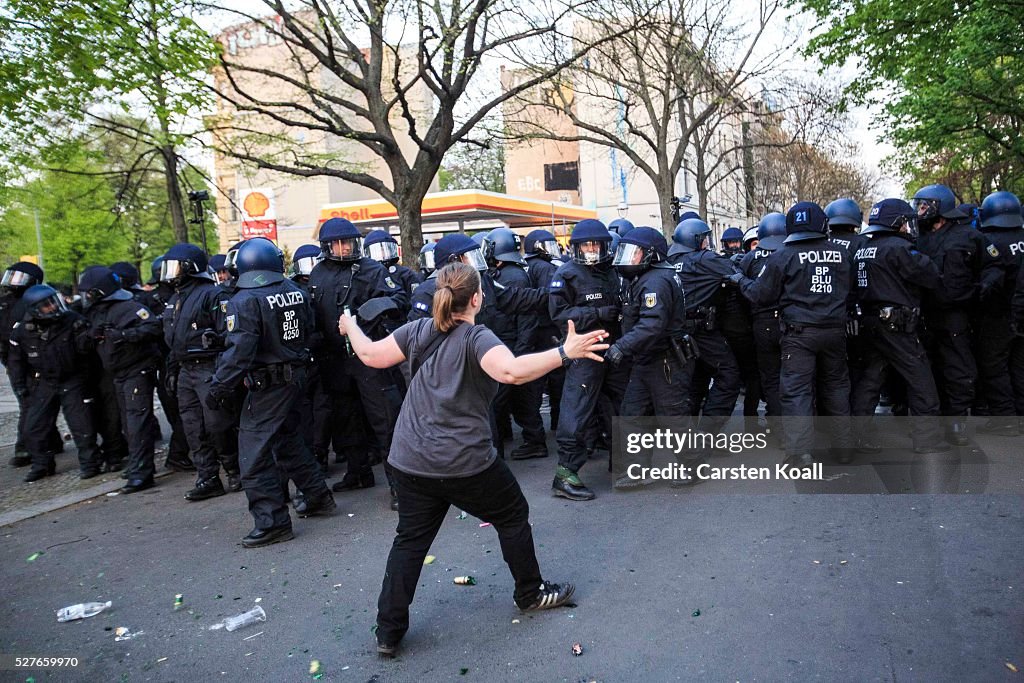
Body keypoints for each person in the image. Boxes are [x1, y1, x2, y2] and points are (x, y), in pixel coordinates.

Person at [340, 261, 607, 658]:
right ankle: (530, 593)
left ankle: (388, 632)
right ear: (477, 298)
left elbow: (369, 354)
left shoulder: (415, 330)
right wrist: (564, 353)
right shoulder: (476, 337)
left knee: (410, 541)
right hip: (463, 463)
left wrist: (350, 326)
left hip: (410, 460)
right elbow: (513, 372)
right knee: (513, 514)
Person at [208, 237, 336, 547]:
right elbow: (308, 332)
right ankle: (318, 496)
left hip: (267, 385)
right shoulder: (295, 291)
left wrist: (220, 386)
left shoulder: (244, 300)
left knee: (252, 454)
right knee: (288, 442)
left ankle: (273, 521)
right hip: (296, 378)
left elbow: (241, 350)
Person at [732, 201, 854, 465]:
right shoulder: (842, 253)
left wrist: (739, 279)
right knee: (835, 388)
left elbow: (760, 295)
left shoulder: (783, 256)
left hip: (799, 335)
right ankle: (844, 449)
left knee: (796, 392)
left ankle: (800, 453)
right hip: (835, 331)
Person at [308, 218, 408, 507]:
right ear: (326, 247)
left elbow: (398, 299)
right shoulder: (317, 273)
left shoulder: (371, 270)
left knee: (384, 418)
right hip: (333, 358)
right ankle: (358, 471)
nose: (343, 249)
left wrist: (362, 317)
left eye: (347, 243)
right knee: (346, 418)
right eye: (337, 244)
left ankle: (400, 486)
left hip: (368, 355)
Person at [604, 227, 699, 488]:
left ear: (651, 255)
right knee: (632, 414)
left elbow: (652, 325)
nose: (628, 259)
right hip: (648, 359)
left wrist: (621, 347)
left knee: (674, 417)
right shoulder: (648, 277)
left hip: (665, 361)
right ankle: (638, 470)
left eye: (634, 253)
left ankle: (692, 466)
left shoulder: (655, 280)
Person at [849, 199, 947, 453]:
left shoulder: (863, 248)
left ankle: (854, 439)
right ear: (897, 223)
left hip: (870, 323)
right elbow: (932, 277)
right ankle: (927, 440)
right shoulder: (900, 249)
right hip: (896, 326)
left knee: (870, 382)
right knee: (921, 379)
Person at [913, 184, 1003, 445]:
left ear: (939, 208)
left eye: (923, 205)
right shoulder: (917, 237)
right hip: (925, 314)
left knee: (958, 369)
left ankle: (956, 423)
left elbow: (994, 265)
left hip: (957, 315)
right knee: (927, 369)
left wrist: (984, 288)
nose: (919, 210)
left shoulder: (969, 236)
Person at [548, 219, 627, 500]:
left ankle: (622, 463)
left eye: (597, 244)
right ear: (577, 247)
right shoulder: (567, 275)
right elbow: (558, 315)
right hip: (583, 349)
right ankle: (566, 473)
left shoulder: (613, 272)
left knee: (620, 406)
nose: (592, 249)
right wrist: (595, 315)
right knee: (577, 409)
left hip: (614, 348)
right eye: (587, 245)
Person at [79, 266, 163, 492]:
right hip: (118, 373)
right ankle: (138, 465)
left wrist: (125, 335)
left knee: (137, 423)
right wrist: (91, 336)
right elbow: (85, 340)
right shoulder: (97, 312)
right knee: (128, 423)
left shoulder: (129, 307)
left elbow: (154, 326)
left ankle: (142, 473)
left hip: (137, 370)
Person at [7, 285, 101, 481]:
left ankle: (90, 463)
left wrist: (88, 380)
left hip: (72, 378)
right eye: (46, 305)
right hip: (45, 381)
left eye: (53, 302)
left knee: (81, 425)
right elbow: (16, 361)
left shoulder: (73, 321)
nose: (52, 307)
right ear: (34, 310)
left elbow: (89, 354)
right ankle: (42, 464)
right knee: (34, 427)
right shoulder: (23, 330)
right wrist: (20, 386)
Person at [161, 243, 230, 501]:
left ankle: (234, 469)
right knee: (192, 426)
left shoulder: (212, 295)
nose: (171, 272)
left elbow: (227, 334)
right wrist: (171, 371)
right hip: (185, 371)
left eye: (175, 266)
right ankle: (208, 476)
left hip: (208, 367)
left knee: (218, 423)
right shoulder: (175, 298)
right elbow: (172, 340)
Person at [668, 218, 742, 433]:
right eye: (705, 239)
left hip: (679, 332)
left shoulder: (671, 260)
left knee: (694, 382)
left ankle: (688, 439)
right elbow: (734, 271)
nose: (708, 243)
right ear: (697, 240)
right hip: (702, 331)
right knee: (728, 376)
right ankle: (706, 435)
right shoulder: (705, 259)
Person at [973, 190, 1024, 434]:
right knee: (1019, 366)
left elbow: (988, 282)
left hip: (998, 316)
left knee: (994, 367)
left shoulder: (989, 241)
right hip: (1020, 314)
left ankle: (1005, 418)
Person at [1, 261, 48, 467]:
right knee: (28, 402)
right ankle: (32, 444)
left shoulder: (34, 300)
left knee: (32, 404)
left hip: (33, 359)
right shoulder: (5, 302)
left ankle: (27, 446)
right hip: (13, 360)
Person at [364, 230, 421, 295]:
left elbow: (416, 296)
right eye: (378, 251)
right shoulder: (366, 276)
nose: (382, 254)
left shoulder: (405, 274)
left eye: (385, 249)